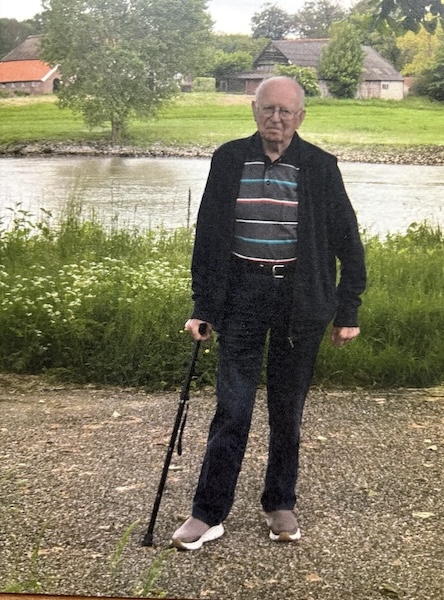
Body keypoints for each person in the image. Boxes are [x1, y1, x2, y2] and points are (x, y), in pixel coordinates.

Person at [171, 76, 366, 551]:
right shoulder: (229, 159)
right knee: (232, 408)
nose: (275, 119)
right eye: (268, 109)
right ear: (254, 111)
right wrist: (202, 306)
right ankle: (207, 512)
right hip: (241, 295)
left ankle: (280, 502)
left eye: (285, 111)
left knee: (287, 409)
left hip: (300, 300)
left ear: (300, 117)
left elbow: (348, 242)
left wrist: (348, 309)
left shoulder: (320, 166)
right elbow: (208, 238)